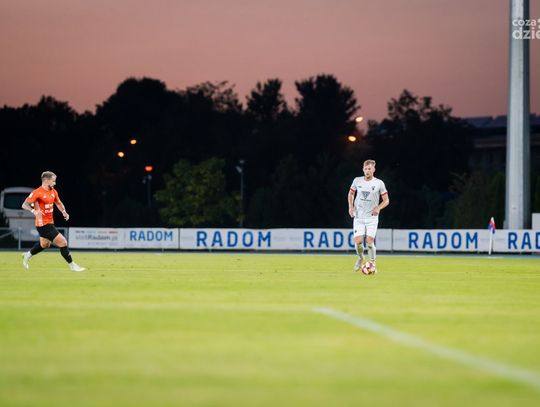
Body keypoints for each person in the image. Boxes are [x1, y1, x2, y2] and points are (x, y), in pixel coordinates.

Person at [21, 171, 86, 272]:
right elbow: (24, 205)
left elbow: (58, 203)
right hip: (42, 224)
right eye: (53, 181)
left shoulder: (53, 192)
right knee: (63, 242)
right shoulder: (37, 192)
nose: (55, 183)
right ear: (46, 180)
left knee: (45, 245)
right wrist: (34, 211)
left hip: (50, 222)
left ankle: (27, 255)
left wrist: (64, 212)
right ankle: (73, 266)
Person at [348, 159, 389, 273]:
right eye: (365, 169)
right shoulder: (357, 181)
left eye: (369, 169)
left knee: (370, 242)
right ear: (363, 169)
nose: (367, 171)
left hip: (372, 217)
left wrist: (378, 208)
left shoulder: (379, 183)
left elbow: (386, 200)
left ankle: (372, 263)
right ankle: (361, 258)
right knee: (358, 242)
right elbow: (351, 194)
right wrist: (351, 207)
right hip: (359, 216)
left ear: (373, 169)